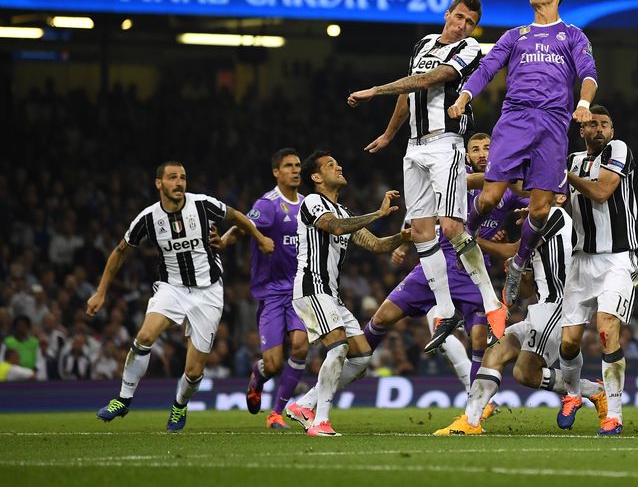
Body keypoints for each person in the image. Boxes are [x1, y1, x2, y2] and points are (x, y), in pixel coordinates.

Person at [348, 0, 506, 351]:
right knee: (421, 231)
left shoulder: (470, 50)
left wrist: (375, 90)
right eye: (460, 17)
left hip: (445, 143)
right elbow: (408, 92)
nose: (463, 25)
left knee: (450, 227)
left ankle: (492, 302)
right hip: (414, 145)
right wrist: (389, 134)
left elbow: (427, 80)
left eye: (470, 22)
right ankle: (446, 310)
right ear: (447, 14)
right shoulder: (423, 43)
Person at [448, 0, 598, 312]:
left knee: (541, 208)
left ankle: (519, 262)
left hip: (553, 122)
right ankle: (466, 235)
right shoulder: (515, 35)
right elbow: (486, 69)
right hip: (515, 118)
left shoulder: (573, 35)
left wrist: (584, 103)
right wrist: (464, 97)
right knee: (489, 197)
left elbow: (589, 73)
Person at [87, 160, 274, 432]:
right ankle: (123, 399)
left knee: (195, 371)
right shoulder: (148, 218)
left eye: (183, 178)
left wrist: (258, 237)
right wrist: (100, 292)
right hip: (171, 288)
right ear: (159, 184)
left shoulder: (202, 205)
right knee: (145, 336)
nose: (179, 183)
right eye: (172, 178)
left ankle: (179, 404)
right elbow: (120, 251)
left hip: (208, 291)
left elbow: (236, 216)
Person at [362, 132, 527, 393]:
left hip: (471, 269)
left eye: (487, 148)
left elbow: (535, 202)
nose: (482, 154)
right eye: (476, 149)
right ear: (467, 154)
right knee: (382, 318)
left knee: (479, 340)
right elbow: (422, 203)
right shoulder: (456, 170)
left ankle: (477, 406)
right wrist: (405, 242)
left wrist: (527, 211)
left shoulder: (507, 192)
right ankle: (346, 367)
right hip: (436, 263)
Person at [434, 193, 608, 435]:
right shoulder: (538, 229)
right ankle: (470, 421)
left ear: (559, 198)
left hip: (560, 306)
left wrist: (470, 239)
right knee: (495, 351)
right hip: (541, 307)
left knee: (525, 373)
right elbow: (525, 289)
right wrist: (514, 270)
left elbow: (513, 249)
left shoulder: (556, 216)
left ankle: (591, 391)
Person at [287, 150, 404, 436]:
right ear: (316, 177)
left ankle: (304, 404)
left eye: (338, 163)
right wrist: (377, 213)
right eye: (330, 165)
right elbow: (335, 227)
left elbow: (376, 245)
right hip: (311, 286)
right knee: (338, 347)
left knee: (362, 358)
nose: (338, 166)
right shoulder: (313, 202)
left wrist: (407, 236)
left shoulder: (346, 212)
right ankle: (320, 422)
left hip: (331, 294)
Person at [548, 105, 638, 436]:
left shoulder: (619, 149)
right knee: (569, 343)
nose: (600, 129)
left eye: (605, 124)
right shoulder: (571, 160)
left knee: (605, 329)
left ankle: (613, 415)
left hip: (616, 258)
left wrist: (562, 174)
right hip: (579, 260)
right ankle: (573, 395)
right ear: (582, 130)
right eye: (593, 125)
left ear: (612, 132)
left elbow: (601, 192)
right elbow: (563, 201)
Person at [219, 148, 309, 430]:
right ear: (276, 172)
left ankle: (276, 413)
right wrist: (223, 242)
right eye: (288, 166)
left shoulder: (308, 204)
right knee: (272, 364)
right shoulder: (268, 204)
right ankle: (257, 378)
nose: (295, 170)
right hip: (271, 293)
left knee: (300, 346)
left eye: (297, 165)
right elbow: (242, 224)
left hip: (299, 291)